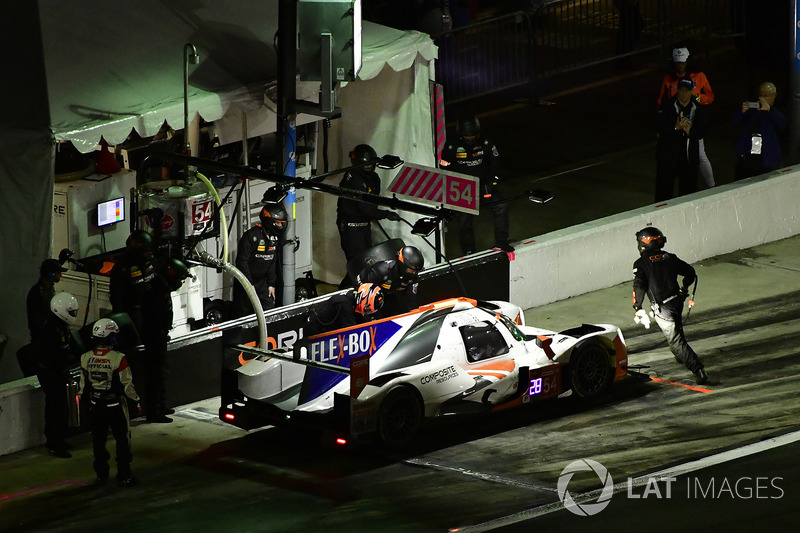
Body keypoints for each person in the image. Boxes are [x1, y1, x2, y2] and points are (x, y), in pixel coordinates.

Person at [110, 230, 173, 423]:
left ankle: (159, 406)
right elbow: (117, 300)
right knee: (141, 370)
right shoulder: (121, 268)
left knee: (158, 368)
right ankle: (147, 410)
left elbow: (160, 286)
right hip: (134, 320)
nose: (148, 254)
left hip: (153, 320)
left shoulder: (151, 262)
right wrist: (124, 326)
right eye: (144, 251)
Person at [632, 227, 708, 385]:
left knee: (676, 343)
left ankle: (698, 369)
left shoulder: (641, 263)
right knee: (677, 331)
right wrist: (684, 288)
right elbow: (690, 272)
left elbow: (639, 286)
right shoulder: (669, 257)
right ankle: (682, 357)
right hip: (677, 302)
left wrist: (638, 308)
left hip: (663, 308)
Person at [79, 318, 141, 487]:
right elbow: (127, 385)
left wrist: (84, 405)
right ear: (110, 337)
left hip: (96, 405)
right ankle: (124, 475)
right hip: (115, 406)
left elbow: (83, 386)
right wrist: (135, 402)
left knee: (98, 441)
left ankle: (101, 474)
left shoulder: (85, 358)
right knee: (122, 440)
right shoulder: (118, 358)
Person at [439, 116, 513, 255]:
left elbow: (496, 165)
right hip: (463, 188)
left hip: (484, 185)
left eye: (473, 137)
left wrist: (492, 184)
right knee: (464, 218)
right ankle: (468, 251)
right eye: (467, 137)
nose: (470, 140)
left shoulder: (486, 143)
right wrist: (456, 187)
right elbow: (444, 168)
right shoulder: (452, 146)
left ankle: (501, 242)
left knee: (501, 207)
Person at [657, 47, 715, 188]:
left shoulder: (699, 76)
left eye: (682, 62)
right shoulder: (668, 78)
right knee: (672, 155)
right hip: (674, 120)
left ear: (688, 61)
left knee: (700, 155)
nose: (680, 65)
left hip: (693, 119)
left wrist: (696, 98)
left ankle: (712, 186)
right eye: (677, 63)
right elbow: (661, 100)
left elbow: (710, 97)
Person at [336, 144, 401, 264]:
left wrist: (390, 203)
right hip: (351, 227)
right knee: (358, 263)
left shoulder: (374, 178)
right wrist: (386, 214)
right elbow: (365, 208)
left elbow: (374, 201)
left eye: (371, 164)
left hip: (364, 225)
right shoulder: (353, 180)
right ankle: (351, 283)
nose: (369, 167)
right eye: (366, 164)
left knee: (367, 261)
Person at [33, 292, 79, 458]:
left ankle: (59, 438)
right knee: (55, 407)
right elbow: (51, 356)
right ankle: (53, 443)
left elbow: (68, 348)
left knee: (61, 407)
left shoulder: (61, 325)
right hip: (50, 373)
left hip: (57, 372)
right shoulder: (50, 329)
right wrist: (61, 370)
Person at [655, 77, 707, 202]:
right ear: (678, 90)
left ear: (691, 91)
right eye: (682, 90)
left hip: (689, 158)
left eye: (687, 90)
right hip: (669, 157)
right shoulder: (667, 105)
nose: (684, 93)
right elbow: (660, 129)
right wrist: (676, 127)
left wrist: (690, 131)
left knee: (688, 193)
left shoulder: (697, 108)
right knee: (664, 193)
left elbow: (702, 131)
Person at [234, 202, 287, 316]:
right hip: (246, 283)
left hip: (263, 284)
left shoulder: (276, 239)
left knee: (269, 313)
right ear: (270, 222)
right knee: (244, 316)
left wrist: (271, 284)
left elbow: (272, 261)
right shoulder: (251, 236)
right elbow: (242, 262)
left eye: (281, 223)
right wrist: (249, 284)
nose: (280, 226)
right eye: (278, 223)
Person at [22, 259, 68, 377]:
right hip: (44, 346)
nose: (60, 275)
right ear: (50, 274)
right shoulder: (37, 293)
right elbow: (37, 324)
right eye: (58, 272)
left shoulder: (49, 289)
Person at [734, 81, 787, 180]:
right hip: (748, 155)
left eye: (766, 96)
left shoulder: (777, 110)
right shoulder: (752, 109)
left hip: (766, 157)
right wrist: (742, 112)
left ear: (774, 95)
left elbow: (783, 125)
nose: (762, 99)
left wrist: (770, 110)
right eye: (760, 95)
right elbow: (736, 121)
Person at [356, 245, 424, 316]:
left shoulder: (412, 276)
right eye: (411, 270)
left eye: (415, 271)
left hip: (387, 293)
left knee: (394, 313)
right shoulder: (381, 271)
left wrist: (415, 314)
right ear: (402, 265)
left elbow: (411, 298)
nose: (413, 273)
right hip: (366, 290)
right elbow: (364, 293)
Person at [305, 283, 384, 337]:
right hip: (315, 332)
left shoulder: (353, 296)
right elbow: (351, 332)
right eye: (367, 308)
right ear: (362, 298)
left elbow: (364, 323)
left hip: (329, 329)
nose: (366, 311)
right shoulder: (344, 304)